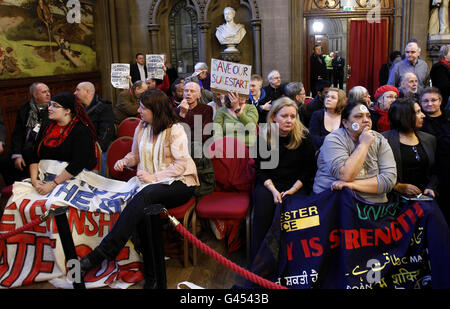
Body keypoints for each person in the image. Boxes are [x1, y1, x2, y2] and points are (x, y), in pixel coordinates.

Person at [79, 89, 199, 288]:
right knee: (145, 210)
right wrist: (124, 161)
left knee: (146, 194)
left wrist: (154, 177)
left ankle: (104, 252)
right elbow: (135, 155)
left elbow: (181, 165)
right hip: (149, 185)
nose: (139, 110)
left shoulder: (175, 129)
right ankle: (154, 279)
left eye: (143, 108)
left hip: (179, 182)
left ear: (156, 110)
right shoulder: (142, 127)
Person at [251, 97, 316, 260]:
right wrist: (274, 191)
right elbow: (260, 170)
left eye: (293, 116)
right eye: (284, 116)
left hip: (297, 185)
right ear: (273, 117)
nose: (289, 120)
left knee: (298, 214)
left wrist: (292, 191)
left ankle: (296, 259)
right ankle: (261, 260)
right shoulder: (264, 136)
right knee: (263, 210)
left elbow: (308, 170)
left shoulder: (305, 137)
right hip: (269, 184)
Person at [313, 100, 397, 203]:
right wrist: (364, 144)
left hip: (374, 206)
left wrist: (352, 185)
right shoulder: (334, 139)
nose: (366, 120)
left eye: (368, 116)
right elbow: (345, 176)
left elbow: (389, 181)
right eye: (359, 116)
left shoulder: (379, 140)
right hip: (336, 202)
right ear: (345, 123)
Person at [29, 92, 97, 196]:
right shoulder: (47, 126)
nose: (50, 108)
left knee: (52, 203)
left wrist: (53, 184)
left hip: (72, 178)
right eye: (50, 105)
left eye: (55, 106)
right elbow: (34, 155)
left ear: (67, 111)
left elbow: (78, 164)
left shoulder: (81, 130)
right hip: (43, 177)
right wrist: (34, 180)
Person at [382, 98, 438, 200]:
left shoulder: (430, 139)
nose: (423, 115)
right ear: (404, 116)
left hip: (425, 199)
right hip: (394, 201)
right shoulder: (384, 140)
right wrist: (398, 186)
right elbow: (375, 173)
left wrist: (431, 187)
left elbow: (436, 170)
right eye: (417, 112)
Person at [0, 83, 50, 185]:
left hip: (43, 149)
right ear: (35, 95)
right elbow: (17, 134)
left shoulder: (53, 109)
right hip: (26, 148)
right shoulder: (25, 109)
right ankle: (14, 190)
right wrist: (17, 155)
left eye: (48, 91)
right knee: (4, 161)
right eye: (44, 92)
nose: (48, 94)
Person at [74, 82, 115, 152]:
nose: (75, 93)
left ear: (87, 92)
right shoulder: (78, 107)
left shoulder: (104, 107)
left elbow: (105, 134)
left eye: (78, 90)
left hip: (98, 149)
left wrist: (95, 150)